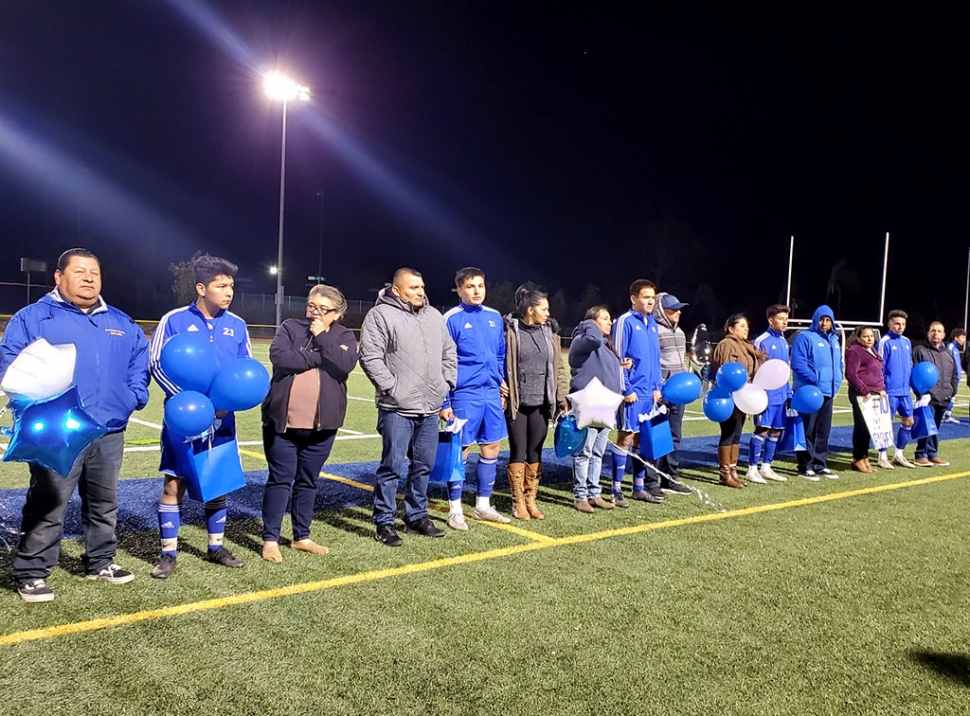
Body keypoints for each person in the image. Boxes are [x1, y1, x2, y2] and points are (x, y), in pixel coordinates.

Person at [0, 248, 150, 602]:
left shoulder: (120, 321)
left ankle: (100, 560)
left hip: (108, 428)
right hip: (57, 429)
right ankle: (32, 570)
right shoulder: (33, 318)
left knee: (104, 500)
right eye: (80, 271)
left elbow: (138, 364)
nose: (88, 278)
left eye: (94, 272)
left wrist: (132, 398)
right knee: (50, 501)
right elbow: (11, 366)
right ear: (58, 276)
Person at [149, 255, 252, 578]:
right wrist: (185, 398)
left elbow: (243, 370)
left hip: (222, 419)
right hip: (185, 417)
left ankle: (215, 547)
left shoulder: (237, 326)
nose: (228, 291)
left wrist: (225, 403)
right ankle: (168, 554)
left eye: (231, 285)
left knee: (217, 484)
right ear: (201, 287)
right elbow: (156, 363)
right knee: (173, 483)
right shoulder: (174, 320)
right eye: (221, 285)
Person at [359, 268, 457, 546]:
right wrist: (393, 388)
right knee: (391, 466)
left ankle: (416, 515)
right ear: (396, 290)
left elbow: (449, 352)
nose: (420, 291)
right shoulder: (380, 315)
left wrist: (446, 382)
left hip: (429, 406)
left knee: (423, 465)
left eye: (421, 286)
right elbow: (370, 356)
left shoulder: (433, 316)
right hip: (397, 407)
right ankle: (384, 522)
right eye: (413, 287)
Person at [259, 284, 358, 562]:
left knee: (308, 481)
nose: (314, 312)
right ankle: (270, 540)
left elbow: (343, 365)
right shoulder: (291, 327)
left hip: (323, 426)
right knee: (280, 480)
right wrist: (319, 357)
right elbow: (280, 358)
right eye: (311, 306)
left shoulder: (344, 335)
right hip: (282, 424)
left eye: (322, 308)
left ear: (337, 314)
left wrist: (323, 338)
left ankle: (301, 537)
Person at [439, 268, 510, 530]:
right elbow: (443, 362)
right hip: (464, 394)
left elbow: (499, 355)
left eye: (480, 285)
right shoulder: (451, 319)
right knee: (461, 451)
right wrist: (445, 403)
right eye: (470, 286)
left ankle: (482, 505)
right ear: (459, 290)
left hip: (490, 394)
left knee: (491, 447)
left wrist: (500, 383)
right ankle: (455, 510)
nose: (477, 290)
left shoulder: (494, 317)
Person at [503, 283, 568, 520]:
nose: (548, 313)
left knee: (535, 451)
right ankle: (517, 501)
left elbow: (558, 368)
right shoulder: (510, 331)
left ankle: (531, 499)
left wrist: (562, 398)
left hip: (542, 402)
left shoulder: (550, 332)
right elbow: (503, 363)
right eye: (544, 308)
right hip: (517, 403)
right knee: (518, 451)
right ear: (530, 309)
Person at [611, 280, 664, 505]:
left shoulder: (652, 324)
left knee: (643, 441)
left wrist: (657, 388)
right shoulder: (625, 322)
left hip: (649, 396)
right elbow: (617, 356)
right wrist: (626, 389)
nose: (650, 301)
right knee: (626, 437)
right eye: (645, 297)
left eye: (652, 297)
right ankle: (616, 489)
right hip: (632, 394)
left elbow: (655, 360)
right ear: (633, 298)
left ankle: (639, 487)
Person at [568, 306, 622, 512]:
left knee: (598, 452)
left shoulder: (605, 346)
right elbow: (593, 339)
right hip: (589, 401)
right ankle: (580, 496)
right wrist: (588, 322)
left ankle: (594, 494)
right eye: (605, 319)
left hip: (605, 404)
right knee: (584, 451)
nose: (610, 322)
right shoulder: (584, 339)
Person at [710, 314, 765, 488]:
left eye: (746, 325)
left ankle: (732, 471)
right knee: (728, 432)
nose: (746, 328)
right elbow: (729, 372)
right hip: (729, 396)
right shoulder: (727, 344)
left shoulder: (746, 345)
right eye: (741, 326)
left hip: (743, 395)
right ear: (731, 328)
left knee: (737, 434)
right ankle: (725, 473)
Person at [790, 305, 843, 480]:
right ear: (815, 319)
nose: (824, 323)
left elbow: (839, 363)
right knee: (807, 430)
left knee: (823, 430)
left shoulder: (834, 340)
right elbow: (798, 364)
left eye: (828, 320)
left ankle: (820, 464)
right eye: (822, 319)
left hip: (828, 391)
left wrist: (838, 377)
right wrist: (815, 379)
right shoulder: (804, 337)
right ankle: (805, 466)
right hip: (809, 392)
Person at [651, 293, 692, 495]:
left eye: (678, 309)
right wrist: (657, 387)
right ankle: (651, 480)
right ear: (660, 310)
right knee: (658, 435)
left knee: (675, 436)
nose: (677, 312)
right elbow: (652, 363)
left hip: (679, 393)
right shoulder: (654, 331)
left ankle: (670, 478)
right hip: (661, 393)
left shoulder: (681, 333)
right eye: (672, 309)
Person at [746, 304, 793, 482]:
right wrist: (754, 397)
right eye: (781, 319)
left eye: (786, 319)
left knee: (776, 431)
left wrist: (788, 393)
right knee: (762, 430)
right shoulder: (762, 341)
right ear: (770, 320)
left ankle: (766, 467)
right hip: (765, 396)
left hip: (781, 396)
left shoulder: (783, 341)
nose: (784, 322)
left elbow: (783, 370)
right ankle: (752, 469)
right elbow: (755, 370)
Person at [912, 321, 958, 467]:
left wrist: (952, 391)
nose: (936, 334)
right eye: (933, 331)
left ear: (944, 335)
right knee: (926, 426)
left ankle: (932, 454)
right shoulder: (920, 350)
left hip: (944, 397)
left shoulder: (948, 353)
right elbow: (914, 372)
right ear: (928, 333)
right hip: (928, 397)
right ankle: (920, 454)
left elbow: (955, 374)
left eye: (939, 331)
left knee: (935, 428)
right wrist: (921, 393)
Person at [877, 310, 915, 469]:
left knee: (909, 421)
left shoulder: (907, 342)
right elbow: (879, 366)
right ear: (889, 324)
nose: (900, 327)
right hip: (890, 391)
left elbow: (910, 366)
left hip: (905, 392)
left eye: (903, 324)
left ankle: (898, 454)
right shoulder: (884, 342)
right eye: (897, 323)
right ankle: (882, 456)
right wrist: (880, 388)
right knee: (885, 424)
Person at [844, 326, 885, 473]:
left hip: (874, 394)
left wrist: (881, 389)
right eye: (865, 336)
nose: (869, 339)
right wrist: (864, 390)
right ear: (859, 338)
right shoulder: (855, 351)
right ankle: (857, 458)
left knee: (869, 428)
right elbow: (851, 374)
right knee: (861, 427)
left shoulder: (872, 350)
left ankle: (864, 456)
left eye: (871, 336)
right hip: (861, 394)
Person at [943, 328, 965, 424]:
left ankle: (947, 415)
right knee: (947, 396)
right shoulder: (950, 347)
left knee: (952, 397)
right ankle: (943, 415)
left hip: (956, 378)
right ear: (955, 338)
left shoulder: (955, 349)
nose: (963, 340)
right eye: (962, 337)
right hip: (950, 378)